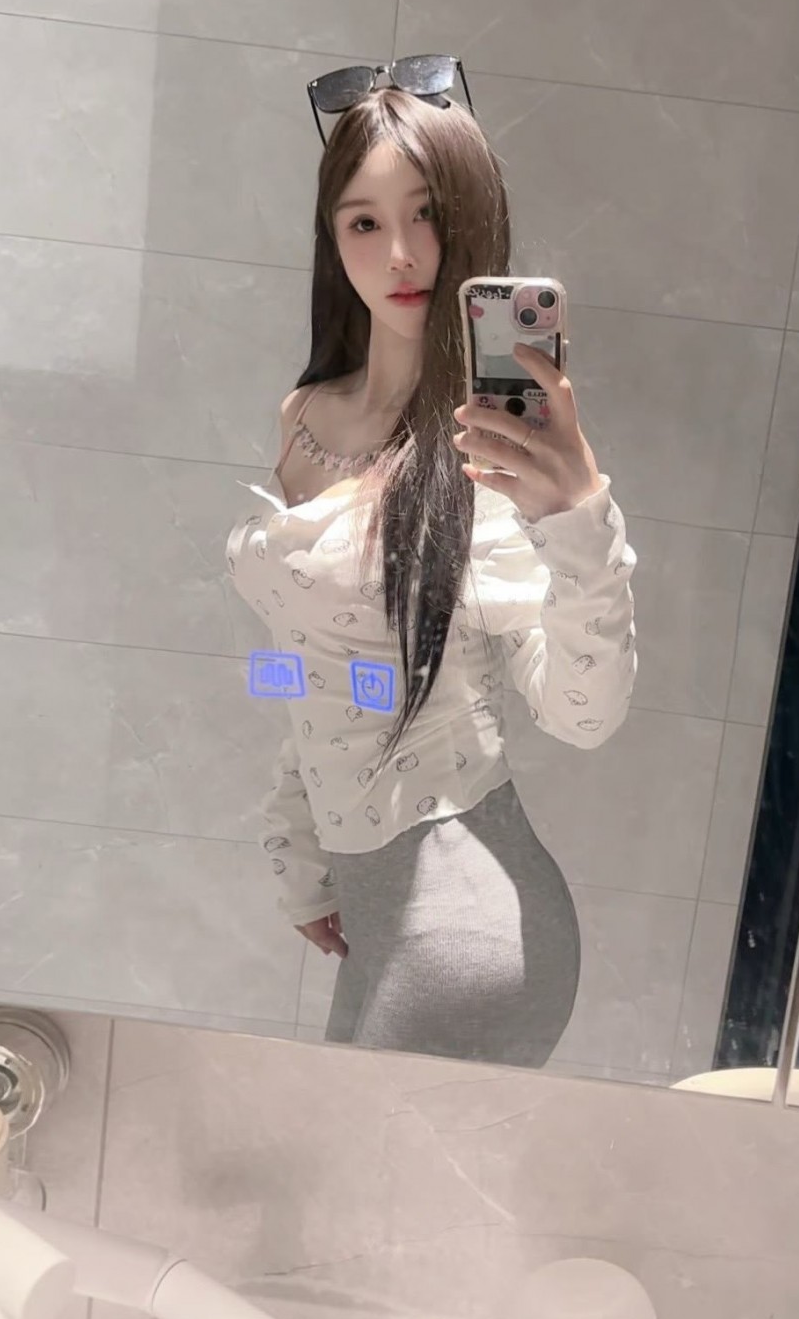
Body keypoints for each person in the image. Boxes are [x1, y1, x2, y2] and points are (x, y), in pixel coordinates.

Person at [226, 77, 637, 1067]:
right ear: (332, 239)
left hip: (468, 916)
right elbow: (313, 666)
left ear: (470, 224)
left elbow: (583, 716)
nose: (402, 254)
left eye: (427, 216)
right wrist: (300, 850)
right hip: (376, 905)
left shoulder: (484, 455)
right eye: (364, 222)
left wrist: (578, 517)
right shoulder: (304, 414)